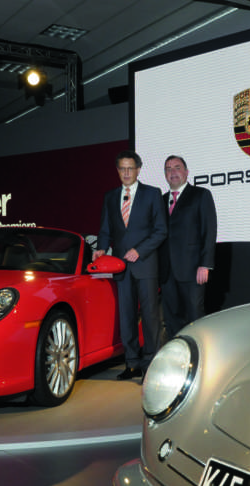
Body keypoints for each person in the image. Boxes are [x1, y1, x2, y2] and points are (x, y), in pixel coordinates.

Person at [94, 150, 168, 380]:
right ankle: (132, 363)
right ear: (118, 171)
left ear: (138, 169)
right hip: (120, 267)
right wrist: (101, 249)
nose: (126, 173)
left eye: (130, 168)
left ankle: (150, 365)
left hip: (145, 264)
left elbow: (161, 231)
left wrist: (140, 250)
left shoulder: (152, 194)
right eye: (122, 169)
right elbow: (106, 230)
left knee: (150, 317)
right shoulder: (110, 196)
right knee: (126, 317)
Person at [159, 155, 218, 339]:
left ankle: (199, 353)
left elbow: (209, 231)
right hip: (166, 272)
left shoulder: (201, 195)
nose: (173, 172)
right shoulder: (160, 201)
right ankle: (177, 353)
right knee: (171, 319)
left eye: (177, 167)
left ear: (186, 172)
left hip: (193, 269)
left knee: (195, 317)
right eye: (168, 169)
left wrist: (205, 264)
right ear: (165, 175)